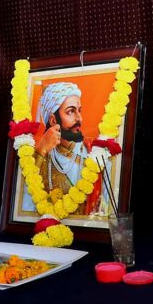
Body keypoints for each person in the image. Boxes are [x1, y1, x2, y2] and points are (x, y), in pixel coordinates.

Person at [22, 82, 109, 215]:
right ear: (53, 120)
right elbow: (24, 208)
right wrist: (41, 151)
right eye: (71, 111)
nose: (79, 118)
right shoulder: (39, 158)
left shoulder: (94, 152)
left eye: (79, 110)